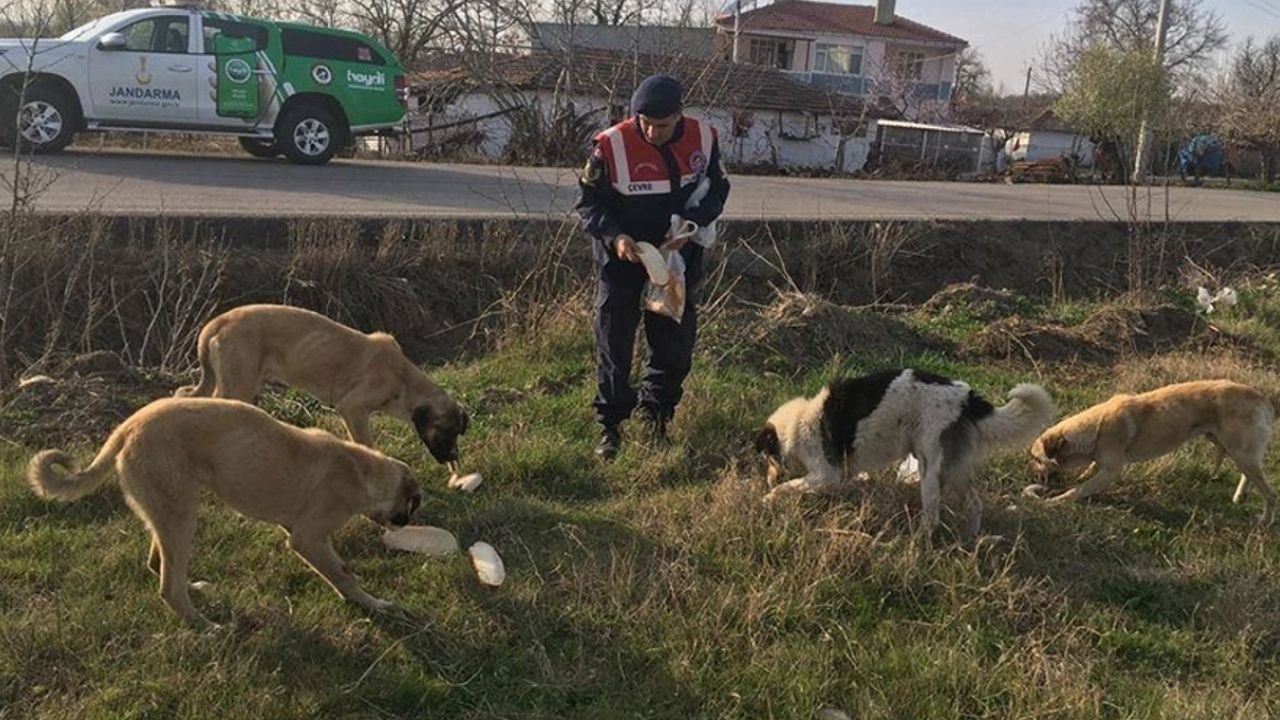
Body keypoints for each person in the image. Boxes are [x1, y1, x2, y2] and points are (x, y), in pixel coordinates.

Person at [575, 74, 731, 461]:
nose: (652, 131)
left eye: (661, 125)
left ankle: (657, 417)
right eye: (644, 122)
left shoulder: (705, 139)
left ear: (679, 116)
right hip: (623, 258)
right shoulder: (609, 145)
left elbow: (718, 190)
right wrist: (616, 237)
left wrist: (691, 225)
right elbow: (588, 205)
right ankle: (610, 426)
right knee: (615, 341)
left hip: (677, 257)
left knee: (673, 342)